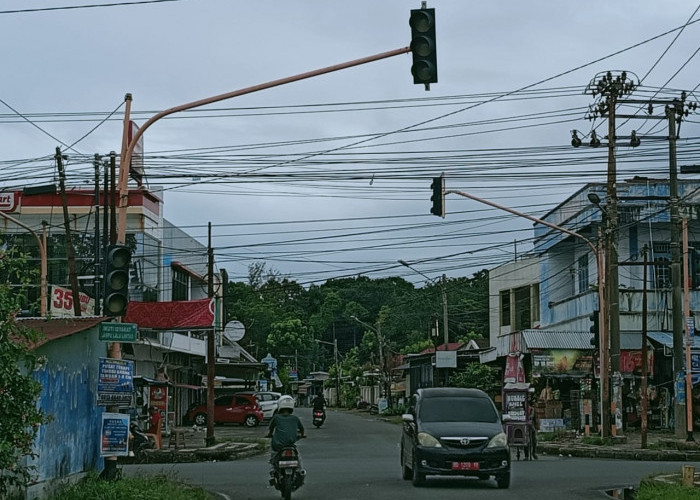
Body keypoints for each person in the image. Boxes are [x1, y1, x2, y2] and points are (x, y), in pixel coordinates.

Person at [266, 395, 305, 483]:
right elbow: (302, 429)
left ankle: (272, 471)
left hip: (277, 445)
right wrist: (302, 435)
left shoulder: (276, 418)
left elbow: (271, 429)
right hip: (290, 445)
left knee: (273, 456)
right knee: (298, 457)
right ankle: (300, 470)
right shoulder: (295, 418)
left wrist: (269, 434)